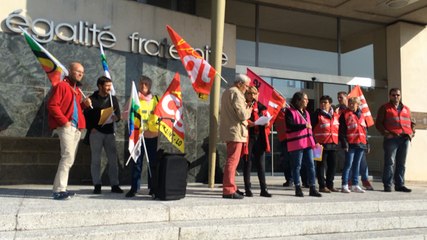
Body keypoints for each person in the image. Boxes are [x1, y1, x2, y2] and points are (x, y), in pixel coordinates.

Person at [47, 62, 91, 200]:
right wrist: (64, 122)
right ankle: (59, 190)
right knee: (67, 156)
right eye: (78, 71)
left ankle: (62, 188)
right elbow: (52, 105)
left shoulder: (76, 91)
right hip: (67, 126)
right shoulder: (62, 86)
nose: (80, 74)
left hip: (76, 128)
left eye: (82, 73)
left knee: (70, 158)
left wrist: (84, 105)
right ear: (70, 71)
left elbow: (74, 110)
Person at [84, 76, 123, 194]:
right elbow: (86, 116)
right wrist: (91, 128)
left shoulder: (113, 99)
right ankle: (97, 184)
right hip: (96, 133)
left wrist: (116, 118)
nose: (109, 88)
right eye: (107, 86)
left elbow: (118, 116)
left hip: (110, 133)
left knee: (112, 160)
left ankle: (115, 184)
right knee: (96, 160)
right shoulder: (92, 99)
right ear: (100, 86)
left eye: (110, 85)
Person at [375, 88, 415, 193]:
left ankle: (400, 185)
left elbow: (411, 122)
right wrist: (386, 133)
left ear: (400, 96)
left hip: (405, 138)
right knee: (390, 162)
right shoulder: (384, 108)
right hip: (392, 138)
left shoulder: (406, 108)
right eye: (393, 95)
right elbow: (378, 123)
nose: (396, 97)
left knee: (401, 163)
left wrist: (412, 133)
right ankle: (388, 185)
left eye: (398, 95)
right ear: (390, 96)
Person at [126, 75, 160, 198]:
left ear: (150, 86)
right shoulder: (135, 99)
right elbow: (125, 115)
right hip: (138, 136)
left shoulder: (156, 99)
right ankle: (134, 188)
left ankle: (153, 188)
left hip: (152, 135)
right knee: (137, 163)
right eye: (141, 84)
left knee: (152, 163)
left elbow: (162, 116)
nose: (143, 86)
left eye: (146, 84)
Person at [220, 74, 252, 199]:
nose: (247, 89)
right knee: (232, 161)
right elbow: (242, 115)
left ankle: (232, 187)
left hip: (231, 131)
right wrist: (249, 109)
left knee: (231, 160)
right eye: (246, 86)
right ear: (240, 84)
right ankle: (228, 190)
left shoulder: (227, 92)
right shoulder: (237, 93)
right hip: (236, 132)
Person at [285, 91, 321, 197]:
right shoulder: (290, 111)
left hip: (308, 143)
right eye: (305, 99)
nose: (307, 101)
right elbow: (290, 125)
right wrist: (303, 125)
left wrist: (315, 142)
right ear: (298, 100)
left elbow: (309, 130)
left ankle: (312, 187)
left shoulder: (307, 113)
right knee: (297, 166)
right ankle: (297, 187)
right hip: (296, 143)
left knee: (311, 165)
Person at [336, 91, 374, 191]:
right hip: (350, 143)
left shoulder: (362, 115)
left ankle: (355, 184)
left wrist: (367, 144)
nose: (351, 105)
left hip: (361, 143)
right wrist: (345, 143)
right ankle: (345, 184)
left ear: (358, 104)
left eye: (353, 104)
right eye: (350, 103)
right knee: (348, 164)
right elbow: (342, 131)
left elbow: (365, 130)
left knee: (356, 164)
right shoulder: (345, 114)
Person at [241, 86, 272, 197]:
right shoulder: (243, 105)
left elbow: (267, 119)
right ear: (246, 94)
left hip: (259, 137)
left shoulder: (262, 107)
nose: (252, 96)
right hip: (248, 136)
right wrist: (250, 123)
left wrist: (267, 123)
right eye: (250, 93)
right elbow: (241, 118)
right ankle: (248, 189)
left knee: (261, 164)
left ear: (258, 94)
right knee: (247, 163)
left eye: (254, 93)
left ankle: (264, 189)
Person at [311, 95, 339, 193]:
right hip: (318, 145)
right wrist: (314, 142)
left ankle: (330, 185)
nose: (323, 104)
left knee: (333, 165)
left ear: (330, 104)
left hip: (333, 144)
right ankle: (322, 186)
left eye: (325, 102)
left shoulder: (335, 115)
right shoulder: (316, 115)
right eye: (321, 102)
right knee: (320, 165)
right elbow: (310, 129)